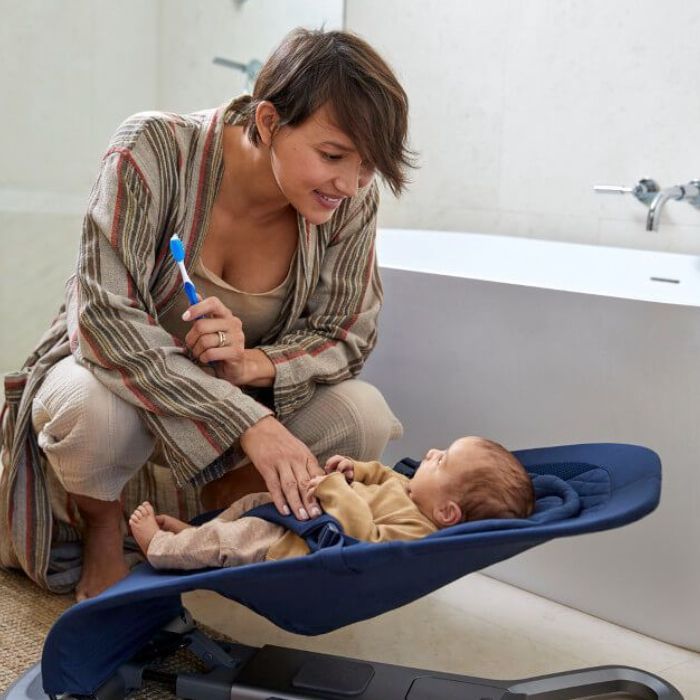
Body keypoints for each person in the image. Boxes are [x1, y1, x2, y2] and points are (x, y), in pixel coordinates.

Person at [0, 28, 414, 600]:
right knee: (88, 411)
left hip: (238, 407)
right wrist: (248, 422)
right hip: (121, 389)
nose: (349, 183)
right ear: (268, 122)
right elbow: (101, 316)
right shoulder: (151, 149)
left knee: (362, 415)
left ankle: (228, 517)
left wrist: (255, 364)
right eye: (332, 156)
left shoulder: (347, 199)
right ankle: (103, 528)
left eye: (367, 167)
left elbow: (348, 332)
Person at [128, 437, 535, 570]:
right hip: (298, 514)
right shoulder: (413, 492)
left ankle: (161, 549)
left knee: (236, 539)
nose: (430, 453)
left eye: (441, 460)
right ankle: (196, 535)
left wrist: (336, 489)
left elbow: (363, 535)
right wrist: (359, 470)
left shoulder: (416, 531)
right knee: (251, 501)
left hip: (292, 543)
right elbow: (387, 478)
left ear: (448, 513)